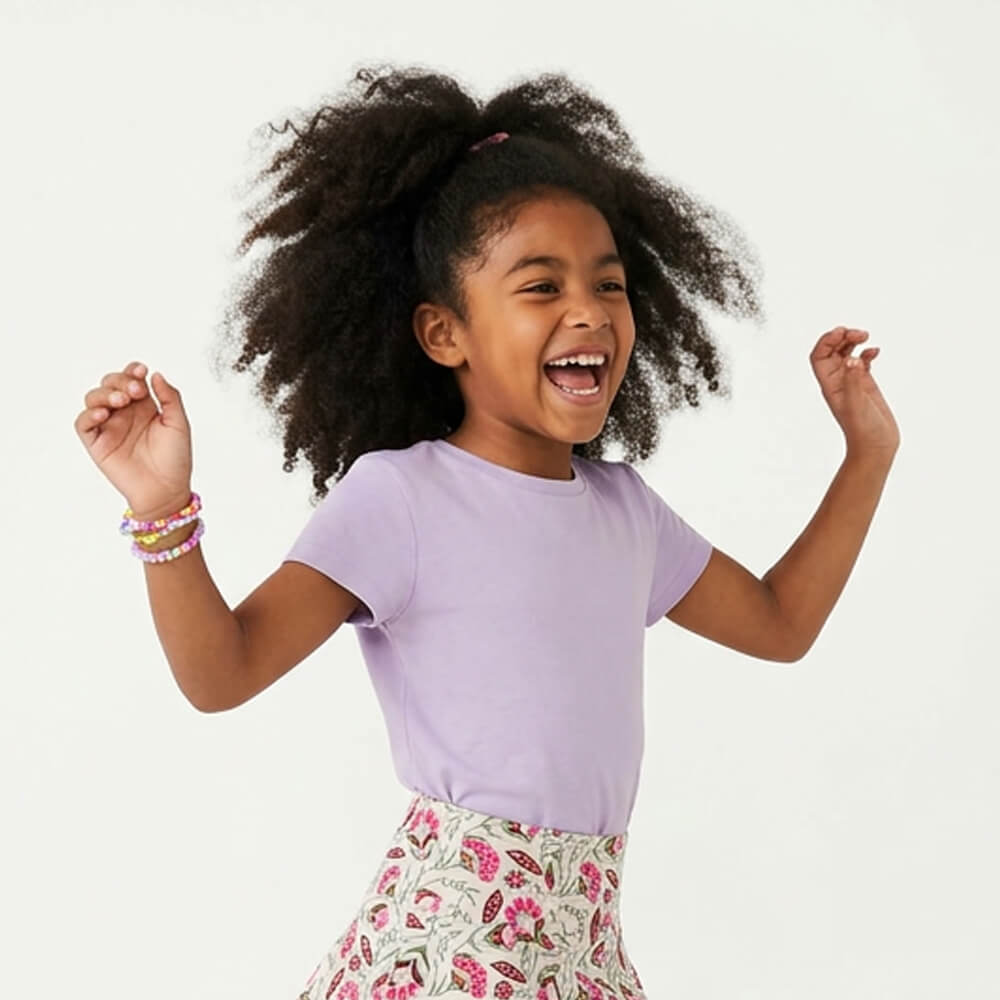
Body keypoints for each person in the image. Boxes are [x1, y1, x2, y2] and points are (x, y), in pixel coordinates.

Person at [73, 64, 900, 1000]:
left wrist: (866, 454)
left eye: (609, 284)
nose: (588, 309)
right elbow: (221, 674)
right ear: (443, 333)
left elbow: (783, 623)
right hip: (446, 950)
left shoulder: (626, 512)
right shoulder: (400, 500)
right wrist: (159, 511)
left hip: (582, 950)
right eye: (540, 286)